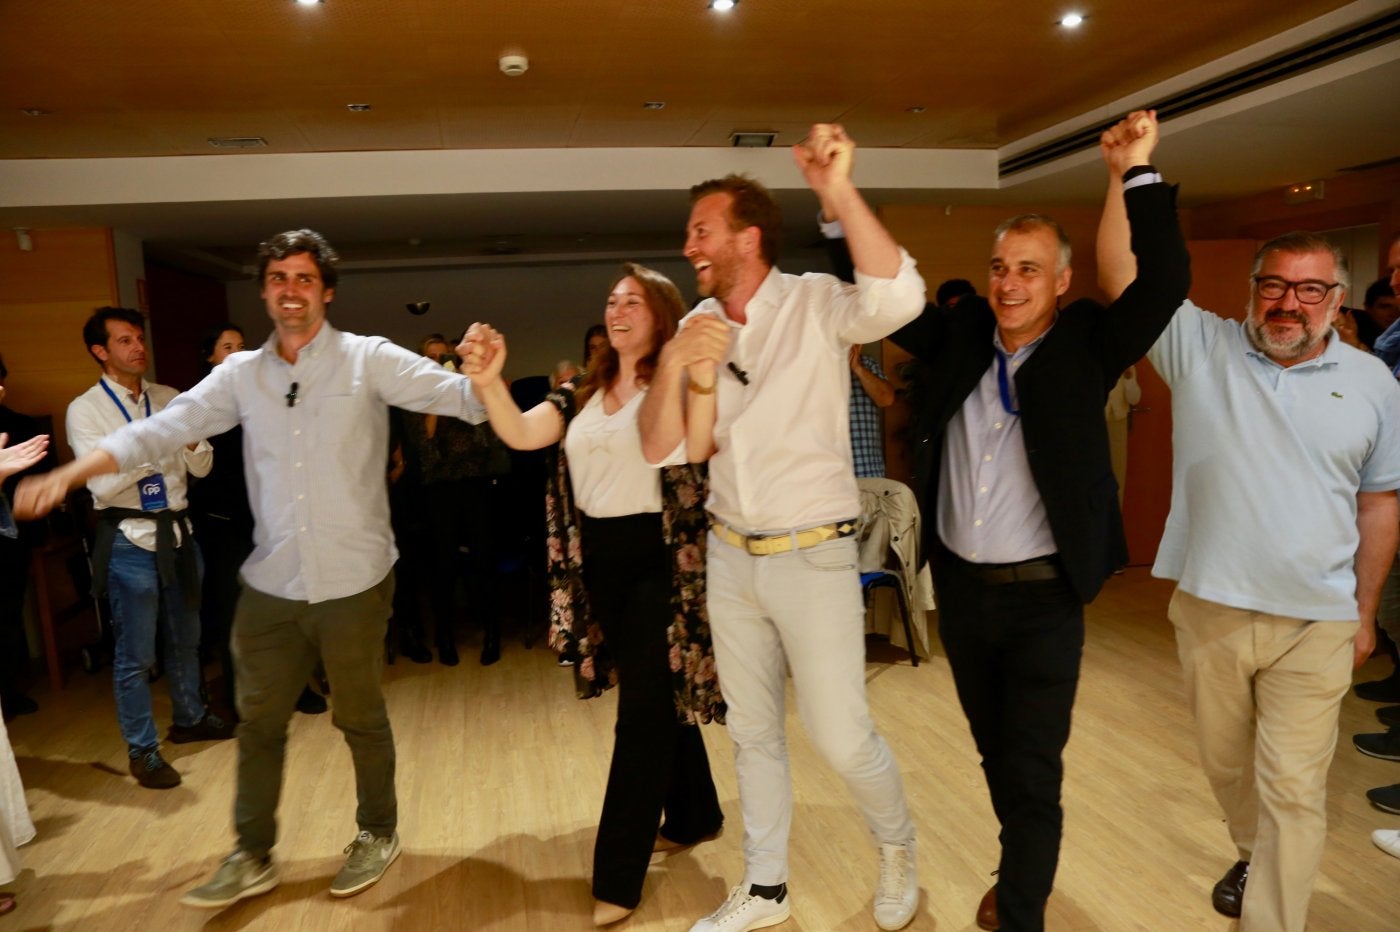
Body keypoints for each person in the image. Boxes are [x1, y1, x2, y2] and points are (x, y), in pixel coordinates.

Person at [14, 229, 489, 906]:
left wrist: (486, 374)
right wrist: (73, 473)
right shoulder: (240, 375)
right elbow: (160, 430)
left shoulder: (368, 360)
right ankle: (252, 851)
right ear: (265, 290)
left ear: (325, 291)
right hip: (273, 584)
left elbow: (463, 399)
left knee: (358, 715)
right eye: (277, 278)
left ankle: (377, 831)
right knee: (258, 720)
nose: (290, 290)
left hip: (355, 579)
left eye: (303, 278)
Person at [885, 111, 1188, 932]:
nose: (1009, 283)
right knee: (995, 752)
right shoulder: (965, 338)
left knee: (1033, 763)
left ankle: (1021, 907)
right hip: (964, 592)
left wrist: (1136, 172)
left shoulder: (1090, 339)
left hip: (1044, 596)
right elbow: (893, 298)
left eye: (1029, 269)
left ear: (1060, 281)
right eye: (998, 268)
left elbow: (1161, 284)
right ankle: (1018, 853)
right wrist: (841, 205)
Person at [639, 123, 925, 932]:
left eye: (702, 229)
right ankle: (766, 888)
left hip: (814, 555)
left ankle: (897, 847)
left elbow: (899, 297)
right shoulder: (699, 323)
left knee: (841, 735)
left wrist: (835, 189)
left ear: (747, 236)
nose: (688, 242)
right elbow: (665, 448)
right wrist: (671, 360)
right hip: (731, 557)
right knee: (754, 735)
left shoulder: (811, 302)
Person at [1098, 211, 1400, 930]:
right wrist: (1121, 175)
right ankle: (1249, 850)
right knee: (1228, 768)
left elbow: (1379, 503)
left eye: (1310, 289)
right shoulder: (1201, 346)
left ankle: (1273, 919)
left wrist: (1364, 613)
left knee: (1295, 789)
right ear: (1251, 289)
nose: (1288, 302)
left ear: (1337, 297)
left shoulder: (1374, 382)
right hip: (1213, 610)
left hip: (1317, 622)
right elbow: (1120, 274)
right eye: (1274, 285)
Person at [461, 262, 724, 927]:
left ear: (662, 313)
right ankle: (695, 812)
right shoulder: (581, 388)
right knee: (656, 696)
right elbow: (522, 434)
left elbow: (695, 451)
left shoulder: (681, 378)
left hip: (664, 559)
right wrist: (489, 383)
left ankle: (618, 877)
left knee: (640, 715)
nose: (617, 309)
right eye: (611, 300)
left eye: (633, 300)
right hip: (601, 560)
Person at [66, 307, 233, 789]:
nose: (138, 347)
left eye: (139, 337)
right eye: (124, 340)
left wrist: (188, 442)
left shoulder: (170, 397)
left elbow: (200, 468)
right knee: (136, 654)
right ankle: (142, 750)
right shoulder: (87, 409)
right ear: (101, 352)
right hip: (129, 540)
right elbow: (101, 487)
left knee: (187, 638)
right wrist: (154, 449)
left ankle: (191, 718)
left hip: (179, 535)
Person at [0, 355, 57, 719]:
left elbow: (43, 478)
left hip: (10, 537)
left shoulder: (19, 426)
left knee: (7, 616)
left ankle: (9, 691)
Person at [847, 345, 895, 479]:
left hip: (866, 470)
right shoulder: (814, 368)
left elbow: (886, 399)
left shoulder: (867, 363)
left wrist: (857, 368)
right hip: (826, 473)